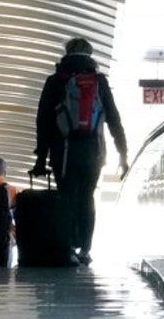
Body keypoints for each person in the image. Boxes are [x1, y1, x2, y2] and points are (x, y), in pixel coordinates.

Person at [33, 37, 128, 266]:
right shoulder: (99, 81)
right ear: (90, 55)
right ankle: (85, 249)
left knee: (66, 197)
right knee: (87, 197)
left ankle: (68, 247)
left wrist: (41, 159)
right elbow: (113, 118)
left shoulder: (56, 81)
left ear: (66, 54)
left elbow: (43, 120)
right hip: (94, 152)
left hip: (63, 151)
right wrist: (123, 153)